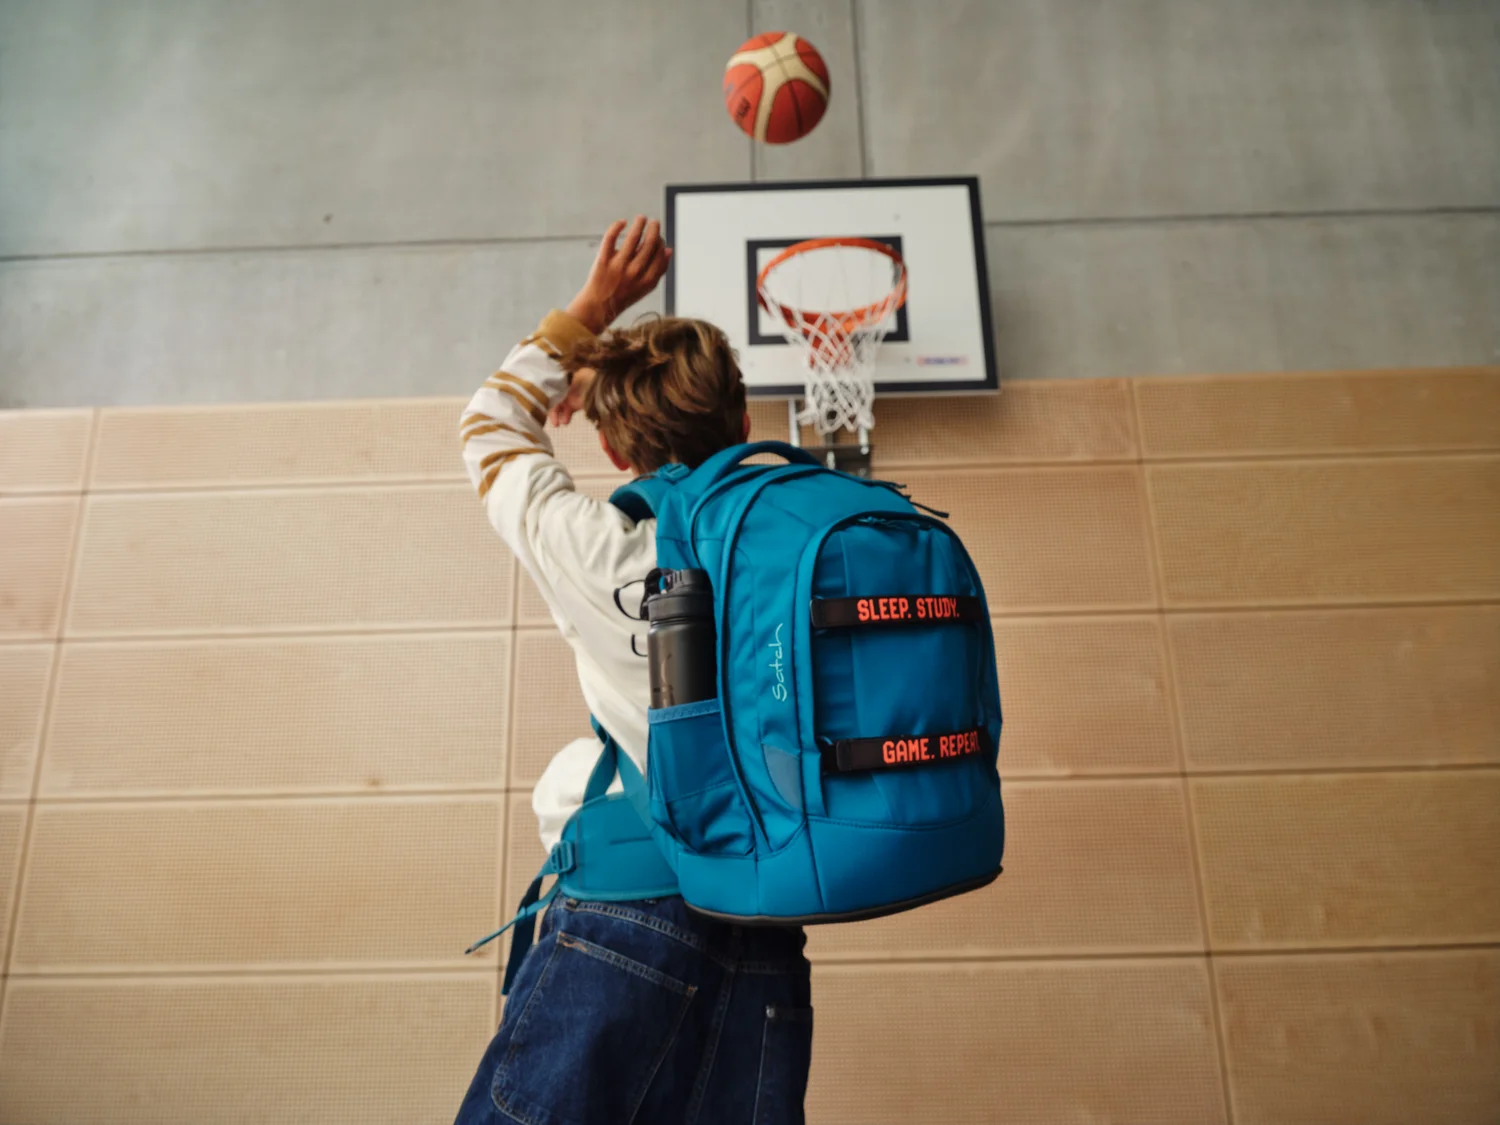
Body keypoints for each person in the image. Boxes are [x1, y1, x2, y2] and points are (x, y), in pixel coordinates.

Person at [453, 216, 813, 1125]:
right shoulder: (805, 557)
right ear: (740, 422)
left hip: (626, 912)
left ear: (616, 453)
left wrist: (593, 310)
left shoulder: (601, 551)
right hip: (768, 940)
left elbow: (490, 424)